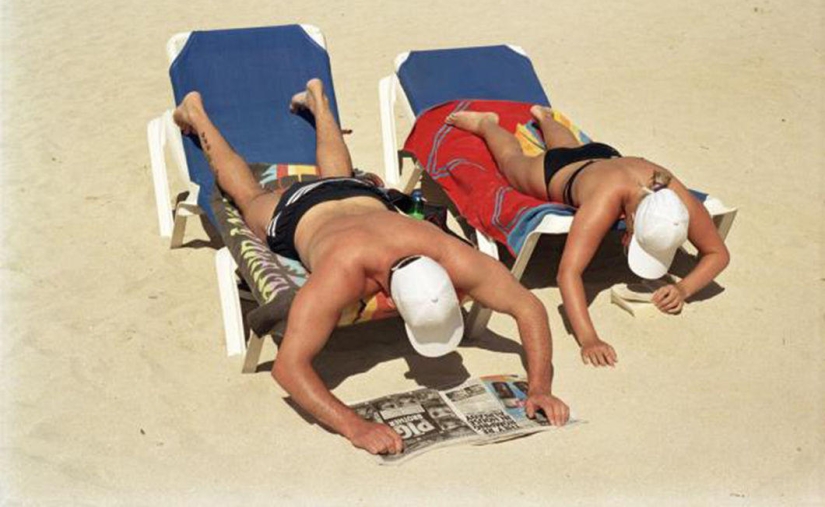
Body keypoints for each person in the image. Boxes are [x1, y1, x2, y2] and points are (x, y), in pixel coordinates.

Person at [172, 79, 570, 456]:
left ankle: (316, 100)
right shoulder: (351, 271)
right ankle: (198, 113)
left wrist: (539, 387)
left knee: (336, 178)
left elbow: (529, 309)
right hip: (300, 211)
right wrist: (355, 427)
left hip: (356, 193)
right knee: (248, 197)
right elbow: (288, 368)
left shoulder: (442, 253)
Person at [445, 107, 730, 369]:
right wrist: (589, 338)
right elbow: (568, 273)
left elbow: (719, 254)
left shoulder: (670, 191)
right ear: (630, 218)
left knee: (571, 148)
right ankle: (487, 124)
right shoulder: (603, 203)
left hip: (602, 156)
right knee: (511, 162)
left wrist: (683, 289)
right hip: (556, 171)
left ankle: (545, 119)